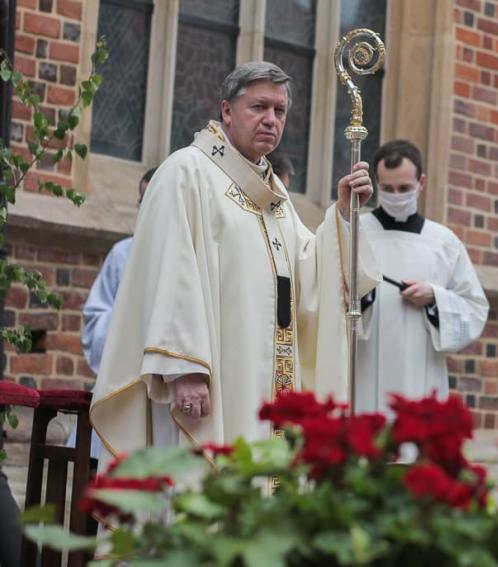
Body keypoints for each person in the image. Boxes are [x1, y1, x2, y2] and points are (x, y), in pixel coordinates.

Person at [89, 62, 380, 474]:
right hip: (212, 377)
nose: (270, 119)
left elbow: (307, 272)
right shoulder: (186, 172)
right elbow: (171, 271)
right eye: (258, 106)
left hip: (267, 379)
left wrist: (343, 217)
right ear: (226, 111)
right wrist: (184, 369)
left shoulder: (273, 193)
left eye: (279, 111)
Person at [356, 140, 488, 414]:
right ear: (376, 183)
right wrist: (363, 293)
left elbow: (475, 309)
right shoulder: (355, 232)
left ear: (421, 182)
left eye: (404, 188)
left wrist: (435, 299)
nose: (396, 195)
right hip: (365, 367)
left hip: (422, 370)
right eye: (387, 189)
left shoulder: (444, 242)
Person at [73, 168, 157, 461]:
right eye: (141, 201)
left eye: (153, 199)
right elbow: (97, 315)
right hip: (124, 382)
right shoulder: (123, 253)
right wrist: (128, 327)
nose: (145, 209)